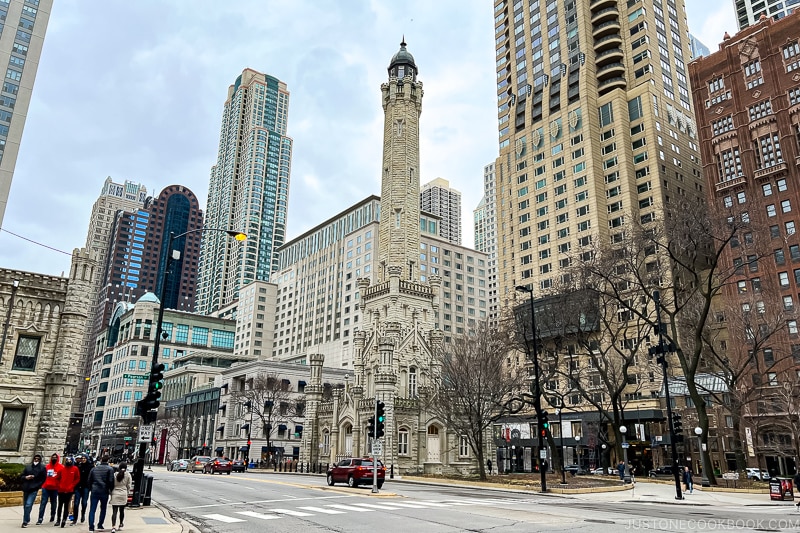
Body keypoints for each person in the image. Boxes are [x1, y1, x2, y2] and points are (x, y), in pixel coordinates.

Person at [87, 455, 115, 533]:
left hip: (94, 490)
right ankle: (100, 524)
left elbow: (89, 480)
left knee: (92, 509)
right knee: (103, 508)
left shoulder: (94, 469)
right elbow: (110, 481)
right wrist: (110, 490)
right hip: (104, 490)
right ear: (108, 461)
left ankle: (91, 526)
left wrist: (90, 488)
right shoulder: (110, 469)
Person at [20, 454, 47, 528]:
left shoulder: (42, 468)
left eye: (38, 459)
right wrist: (26, 477)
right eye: (35, 458)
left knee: (28, 504)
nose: (36, 460)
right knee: (25, 505)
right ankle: (27, 518)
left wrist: (38, 486)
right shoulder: (28, 467)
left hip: (34, 489)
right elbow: (21, 476)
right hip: (26, 488)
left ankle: (25, 522)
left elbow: (43, 478)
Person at [37, 453, 63, 525]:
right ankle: (40, 518)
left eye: (55, 457)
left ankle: (52, 515)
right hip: (46, 487)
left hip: (55, 488)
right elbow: (43, 476)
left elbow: (62, 478)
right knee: (43, 503)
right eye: (52, 457)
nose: (54, 458)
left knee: (53, 503)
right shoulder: (47, 467)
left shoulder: (61, 467)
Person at [56, 457, 80, 528]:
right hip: (61, 490)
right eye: (67, 460)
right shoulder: (62, 469)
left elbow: (77, 478)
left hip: (69, 490)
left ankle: (64, 519)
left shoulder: (75, 469)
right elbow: (57, 478)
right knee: (60, 505)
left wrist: (72, 485)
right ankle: (58, 519)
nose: (68, 461)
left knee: (66, 505)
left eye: (70, 460)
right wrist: (59, 485)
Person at [109, 462, 132, 533]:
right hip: (123, 493)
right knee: (122, 511)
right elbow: (129, 485)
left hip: (115, 493)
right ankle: (121, 523)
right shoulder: (128, 475)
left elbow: (111, 483)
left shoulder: (115, 474)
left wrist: (111, 492)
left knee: (114, 512)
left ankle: (113, 526)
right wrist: (127, 492)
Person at [72, 454, 93, 525]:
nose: (83, 459)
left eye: (85, 458)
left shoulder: (90, 467)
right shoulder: (78, 466)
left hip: (86, 487)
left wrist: (90, 486)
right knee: (76, 503)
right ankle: (75, 518)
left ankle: (83, 514)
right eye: (82, 458)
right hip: (78, 486)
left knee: (84, 503)